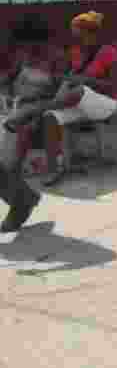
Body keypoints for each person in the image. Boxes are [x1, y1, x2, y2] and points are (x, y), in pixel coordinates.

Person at [39, 11, 117, 186]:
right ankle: (53, 169)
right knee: (50, 117)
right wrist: (65, 78)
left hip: (106, 103)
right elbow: (73, 78)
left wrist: (86, 81)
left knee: (80, 90)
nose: (74, 38)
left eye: (78, 34)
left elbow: (116, 87)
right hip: (80, 102)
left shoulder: (109, 52)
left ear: (90, 33)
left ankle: (36, 109)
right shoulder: (77, 53)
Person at [0, 15, 63, 230]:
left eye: (27, 44)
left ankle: (22, 198)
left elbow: (59, 96)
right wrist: (6, 92)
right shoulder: (23, 57)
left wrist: (29, 107)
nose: (24, 49)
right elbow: (9, 79)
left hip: (37, 112)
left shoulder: (56, 59)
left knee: (6, 161)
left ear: (40, 41)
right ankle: (22, 197)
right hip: (16, 109)